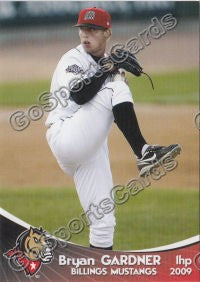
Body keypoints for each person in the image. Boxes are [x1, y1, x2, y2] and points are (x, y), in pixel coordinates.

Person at [45, 7, 181, 250]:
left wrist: (110, 68)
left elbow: (111, 109)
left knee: (103, 222)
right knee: (115, 87)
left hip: (90, 146)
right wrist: (108, 69)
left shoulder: (109, 64)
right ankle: (144, 152)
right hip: (66, 136)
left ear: (107, 33)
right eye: (82, 30)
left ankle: (99, 275)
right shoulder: (73, 59)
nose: (85, 35)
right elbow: (79, 94)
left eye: (93, 30)